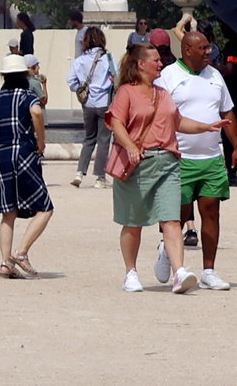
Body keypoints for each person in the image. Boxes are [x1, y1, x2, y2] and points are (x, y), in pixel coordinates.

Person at [161, 28, 237, 288]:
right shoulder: (168, 76)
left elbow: (227, 111)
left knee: (211, 212)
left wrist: (236, 148)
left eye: (209, 47)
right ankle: (167, 249)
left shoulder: (215, 75)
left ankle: (209, 271)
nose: (209, 51)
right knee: (178, 216)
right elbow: (159, 115)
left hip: (211, 156)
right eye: (203, 48)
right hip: (179, 157)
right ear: (188, 50)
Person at [110, 37, 187, 292]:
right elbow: (116, 123)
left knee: (171, 220)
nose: (161, 63)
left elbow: (178, 122)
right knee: (133, 222)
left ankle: (179, 273)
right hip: (138, 164)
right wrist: (131, 146)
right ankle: (130, 273)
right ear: (141, 64)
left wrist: (208, 127)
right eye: (156, 60)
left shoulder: (163, 93)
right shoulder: (126, 92)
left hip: (167, 162)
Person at [0, 39, 52, 279]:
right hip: (24, 152)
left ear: (4, 76)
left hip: (2, 155)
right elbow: (36, 112)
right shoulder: (26, 96)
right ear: (24, 74)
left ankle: (5, 263)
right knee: (44, 208)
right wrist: (40, 141)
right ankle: (21, 252)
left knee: (8, 212)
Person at [69, 25, 118, 180]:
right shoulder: (108, 58)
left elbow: (71, 82)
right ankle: (100, 177)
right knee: (103, 141)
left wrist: (82, 89)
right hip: (104, 102)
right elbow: (116, 79)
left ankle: (80, 173)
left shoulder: (80, 60)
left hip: (88, 104)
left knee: (89, 139)